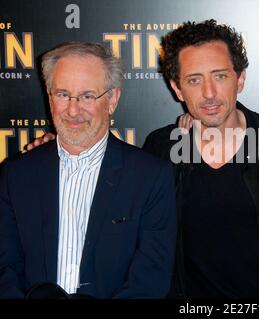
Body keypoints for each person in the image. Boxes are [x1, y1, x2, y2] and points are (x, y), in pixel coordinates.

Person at [143, 19, 259, 298]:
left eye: (220, 76)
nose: (209, 93)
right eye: (194, 80)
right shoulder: (163, 148)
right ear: (177, 88)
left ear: (240, 79)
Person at [0, 42, 177, 298]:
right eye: (62, 94)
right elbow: (4, 269)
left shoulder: (150, 177)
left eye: (87, 96)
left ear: (112, 99)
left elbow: (149, 280)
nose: (73, 110)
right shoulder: (16, 175)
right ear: (49, 96)